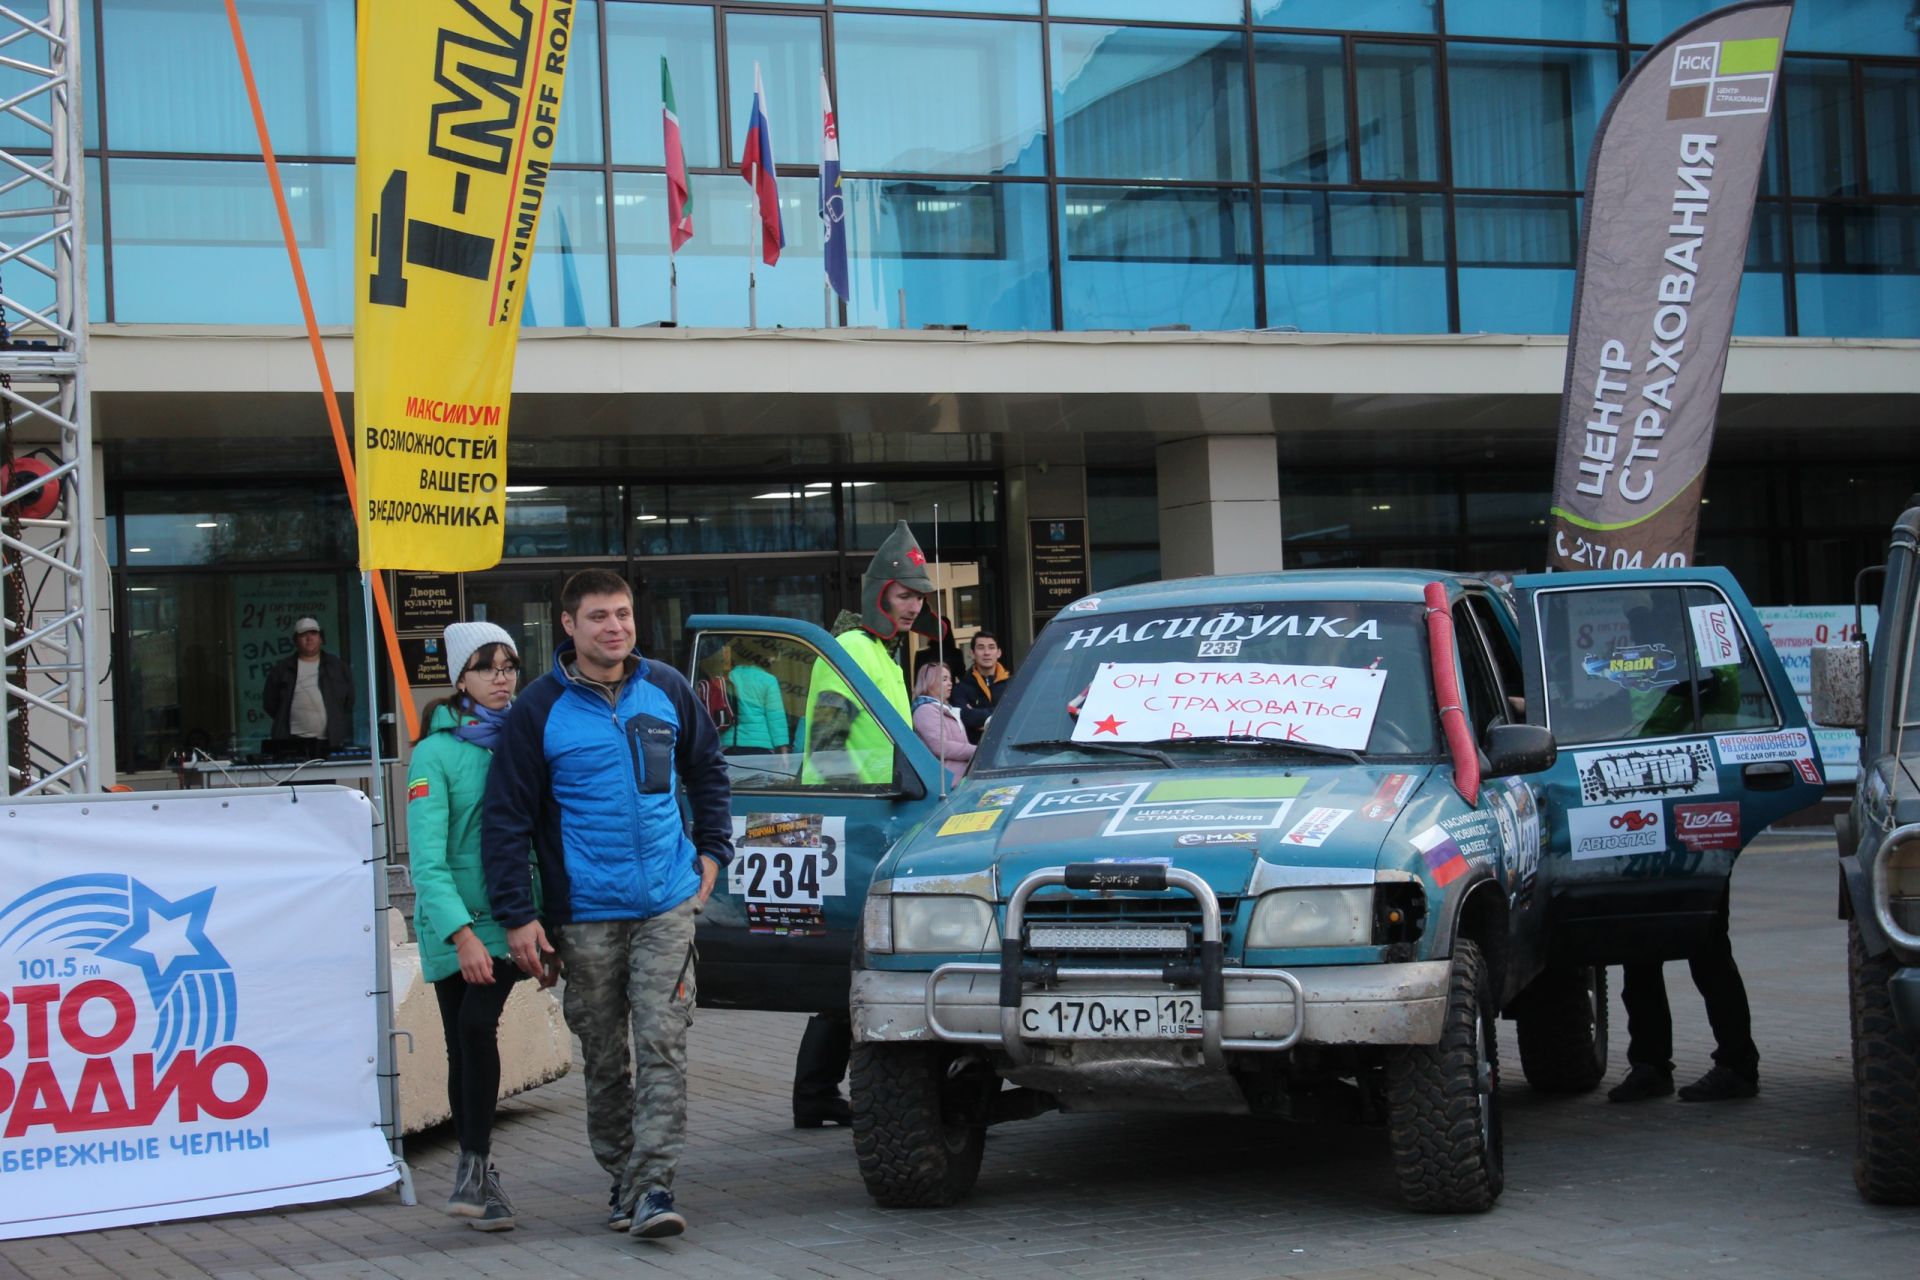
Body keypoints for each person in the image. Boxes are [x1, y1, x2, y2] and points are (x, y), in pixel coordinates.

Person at [480, 569, 733, 1241]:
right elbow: (506, 819)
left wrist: (711, 854)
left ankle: (653, 1187)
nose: (613, 627)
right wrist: (517, 915)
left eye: (622, 614)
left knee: (661, 1043)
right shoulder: (538, 709)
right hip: (584, 912)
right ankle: (622, 1177)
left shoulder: (669, 689)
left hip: (666, 906)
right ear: (569, 625)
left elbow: (707, 770)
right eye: (597, 616)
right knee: (604, 1057)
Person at [793, 520, 942, 1129]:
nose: (913, 607)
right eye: (904, 595)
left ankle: (815, 1093)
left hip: (877, 816)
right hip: (857, 822)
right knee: (857, 961)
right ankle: (814, 1092)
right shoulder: (853, 651)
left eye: (918, 598)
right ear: (880, 592)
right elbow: (830, 745)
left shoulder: (877, 651)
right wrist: (861, 808)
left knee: (856, 962)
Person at [407, 621, 536, 1231]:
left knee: (477, 1024)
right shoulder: (434, 753)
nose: (502, 678)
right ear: (460, 677)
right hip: (449, 925)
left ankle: (474, 1165)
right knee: (462, 1043)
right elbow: (426, 861)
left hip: (507, 920)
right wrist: (459, 935)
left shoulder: (526, 737)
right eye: (487, 667)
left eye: (508, 665)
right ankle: (479, 1177)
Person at [1607, 604, 1758, 1105]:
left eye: (1640, 631)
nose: (1631, 641)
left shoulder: (1705, 667)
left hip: (1694, 810)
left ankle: (1737, 1064)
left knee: (1708, 947)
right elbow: (1627, 714)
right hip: (1643, 810)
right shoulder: (1646, 670)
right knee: (1636, 951)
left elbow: (1707, 692)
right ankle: (1650, 1065)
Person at [261, 616, 354, 753]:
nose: (309, 638)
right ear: (295, 640)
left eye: (314, 633)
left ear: (321, 639)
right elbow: (270, 703)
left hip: (330, 741)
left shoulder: (337, 666)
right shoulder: (282, 669)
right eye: (304, 634)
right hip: (292, 742)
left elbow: (349, 700)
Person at [720, 640, 789, 756]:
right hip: (761, 745)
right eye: (772, 657)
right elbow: (776, 717)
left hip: (730, 743)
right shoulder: (769, 680)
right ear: (763, 656)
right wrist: (783, 749)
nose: (774, 660)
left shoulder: (728, 678)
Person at [912, 661, 974, 782]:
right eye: (944, 679)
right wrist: (975, 750)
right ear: (929, 683)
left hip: (956, 781)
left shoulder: (945, 709)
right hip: (945, 783)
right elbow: (940, 746)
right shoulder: (925, 710)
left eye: (950, 679)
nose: (950, 684)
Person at [950, 630, 1011, 744]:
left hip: (1006, 748)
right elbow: (965, 717)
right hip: (975, 751)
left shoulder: (1012, 684)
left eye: (991, 647)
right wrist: (1001, 714)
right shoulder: (960, 688)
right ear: (972, 653)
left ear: (999, 653)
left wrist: (978, 716)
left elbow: (1017, 714)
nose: (986, 652)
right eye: (981, 648)